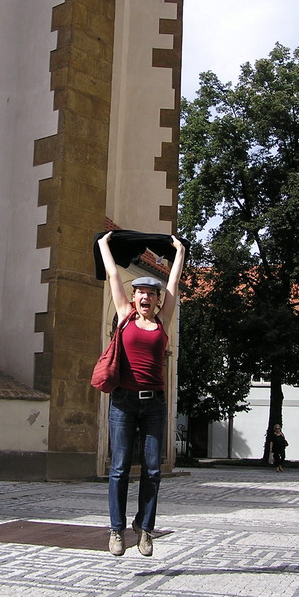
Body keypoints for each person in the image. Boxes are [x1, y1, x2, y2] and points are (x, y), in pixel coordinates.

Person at [97, 231, 186, 557]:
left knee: (152, 470)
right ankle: (116, 529)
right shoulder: (125, 315)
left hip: (154, 404)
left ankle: (145, 528)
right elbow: (112, 275)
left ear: (158, 300)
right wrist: (104, 245)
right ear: (133, 298)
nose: (145, 298)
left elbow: (173, 283)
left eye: (151, 294)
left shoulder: (163, 320)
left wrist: (179, 251)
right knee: (120, 468)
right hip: (123, 402)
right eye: (141, 293)